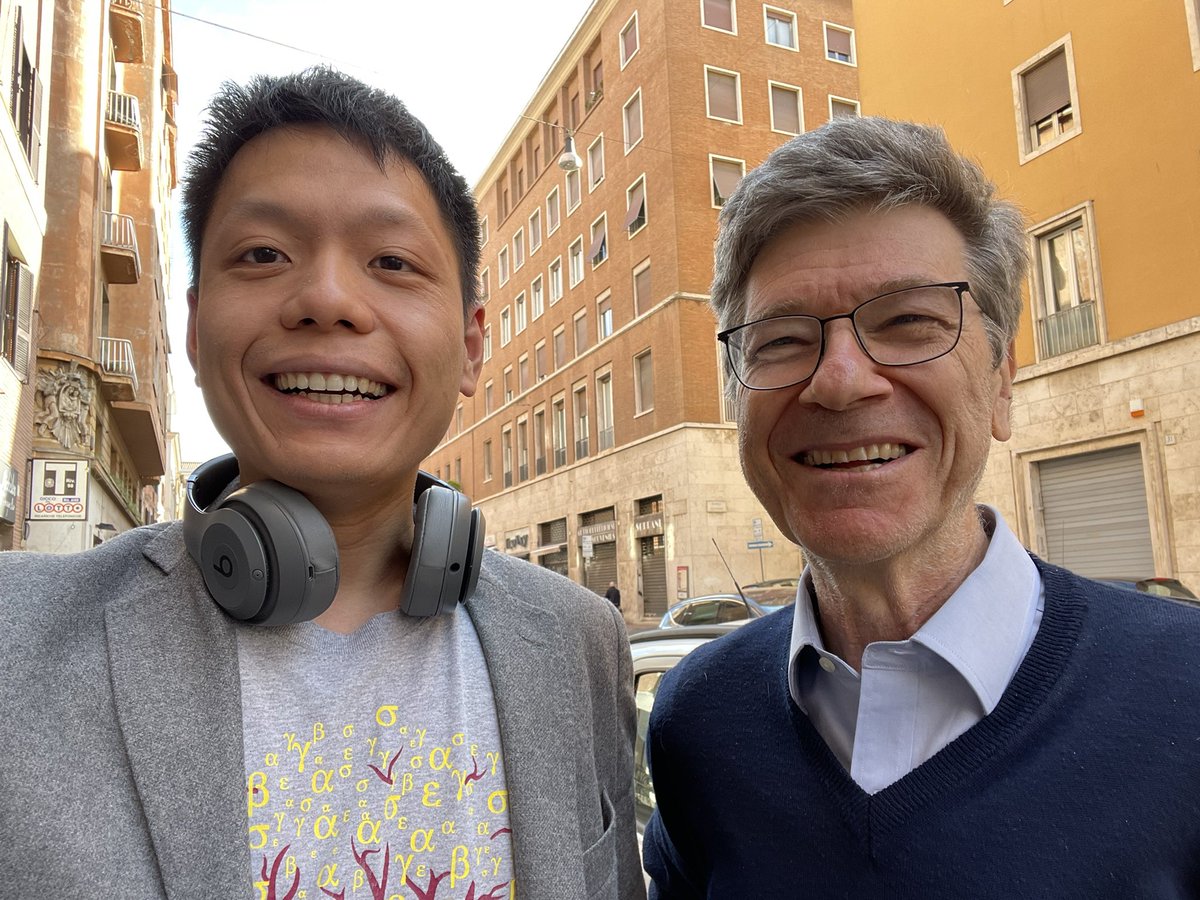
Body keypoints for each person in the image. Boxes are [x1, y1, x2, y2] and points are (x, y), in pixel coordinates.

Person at [0, 69, 644, 899]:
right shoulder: (16, 642)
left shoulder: (578, 644)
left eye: (392, 261)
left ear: (473, 348)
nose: (328, 299)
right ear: (194, 332)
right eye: (264, 254)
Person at [642, 117, 1200, 896]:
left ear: (1003, 381)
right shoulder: (700, 720)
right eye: (781, 340)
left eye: (908, 323)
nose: (839, 381)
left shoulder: (1187, 689)